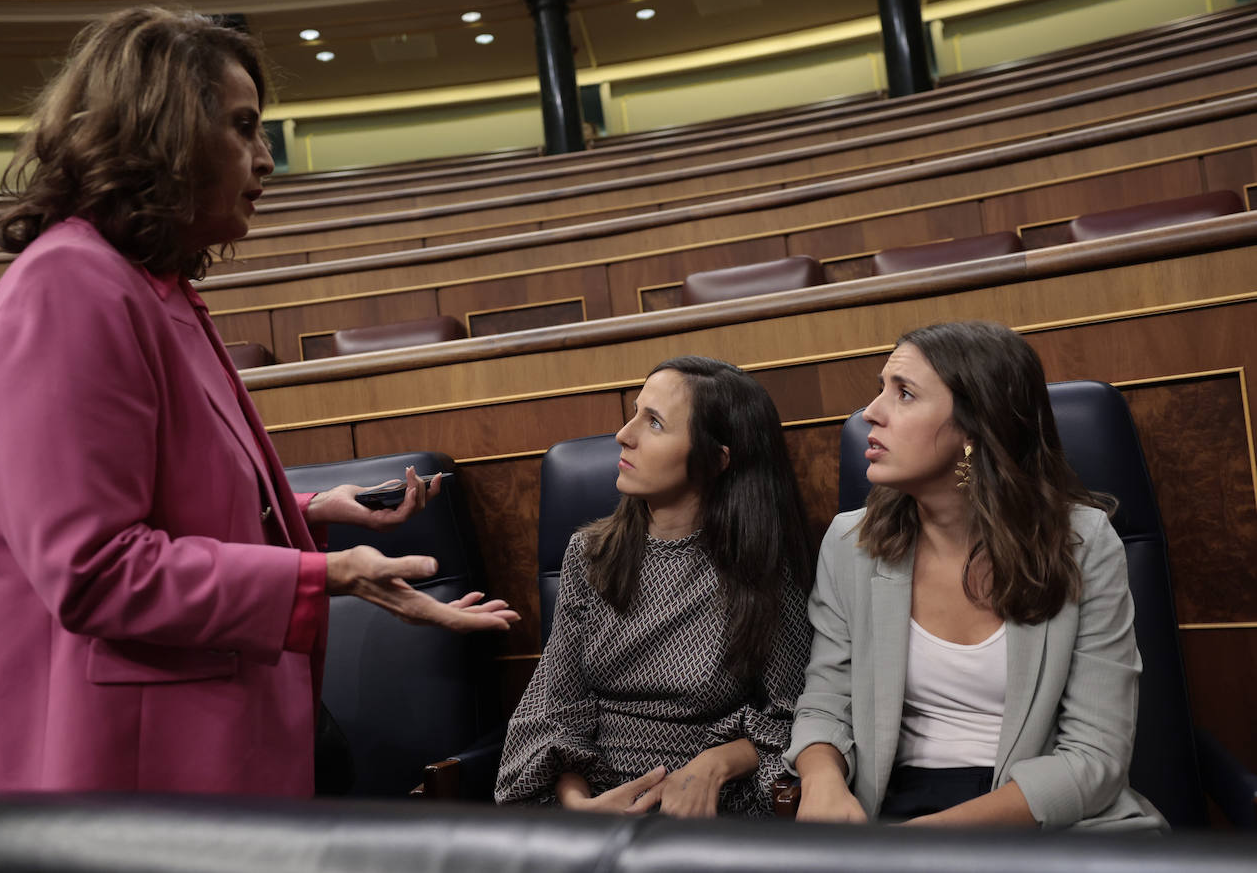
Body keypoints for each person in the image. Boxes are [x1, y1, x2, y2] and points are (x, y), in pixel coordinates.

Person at [0, 7, 517, 797]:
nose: (266, 158)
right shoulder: (67, 288)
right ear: (164, 135)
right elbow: (95, 568)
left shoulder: (146, 284)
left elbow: (160, 499)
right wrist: (330, 574)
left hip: (183, 736)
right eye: (242, 127)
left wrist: (305, 510)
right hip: (110, 762)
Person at [784, 321, 1165, 831]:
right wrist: (823, 782)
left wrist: (928, 843)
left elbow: (1095, 755)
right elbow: (826, 701)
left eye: (904, 393)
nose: (871, 412)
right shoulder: (848, 542)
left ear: (974, 426)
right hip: (892, 806)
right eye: (881, 389)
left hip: (1041, 815)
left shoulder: (1083, 542)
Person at [496, 356, 813, 818]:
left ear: (716, 459)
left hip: (707, 807)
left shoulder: (764, 566)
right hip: (594, 800)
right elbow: (555, 713)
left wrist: (715, 764)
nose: (624, 435)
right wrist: (579, 806)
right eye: (635, 414)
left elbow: (794, 717)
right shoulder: (588, 554)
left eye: (655, 423)